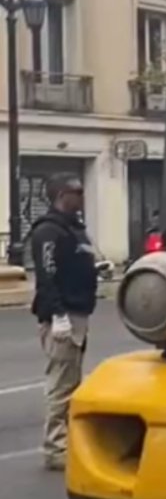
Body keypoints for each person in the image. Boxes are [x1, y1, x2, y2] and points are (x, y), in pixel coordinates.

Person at [29, 173, 99, 471]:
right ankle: (55, 447)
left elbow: (74, 265)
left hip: (79, 311)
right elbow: (47, 276)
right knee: (61, 385)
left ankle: (66, 441)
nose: (82, 196)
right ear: (61, 196)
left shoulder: (74, 229)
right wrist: (57, 315)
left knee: (71, 382)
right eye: (77, 191)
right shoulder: (48, 231)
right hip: (64, 314)